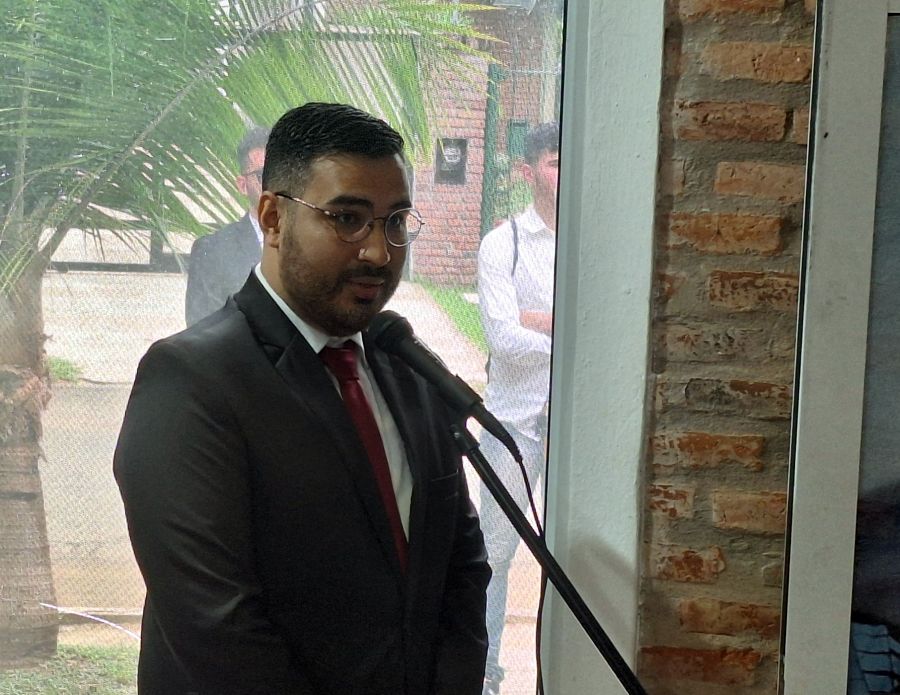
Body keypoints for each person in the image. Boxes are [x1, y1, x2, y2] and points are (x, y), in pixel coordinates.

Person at [115, 103, 490, 695]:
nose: (379, 251)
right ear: (272, 218)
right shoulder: (190, 380)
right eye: (347, 219)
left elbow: (461, 568)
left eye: (395, 222)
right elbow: (218, 629)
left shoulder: (405, 363)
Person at [476, 122, 559, 695]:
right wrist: (568, 328)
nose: (564, 173)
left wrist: (538, 319)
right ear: (528, 172)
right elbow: (503, 338)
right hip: (513, 423)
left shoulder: (591, 243)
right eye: (553, 162)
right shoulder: (502, 244)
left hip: (575, 426)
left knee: (572, 554)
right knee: (495, 552)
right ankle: (484, 674)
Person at [184, 126, 269, 326]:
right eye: (262, 175)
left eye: (282, 173)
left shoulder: (317, 246)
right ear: (242, 185)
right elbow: (202, 330)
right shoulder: (212, 251)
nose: (274, 183)